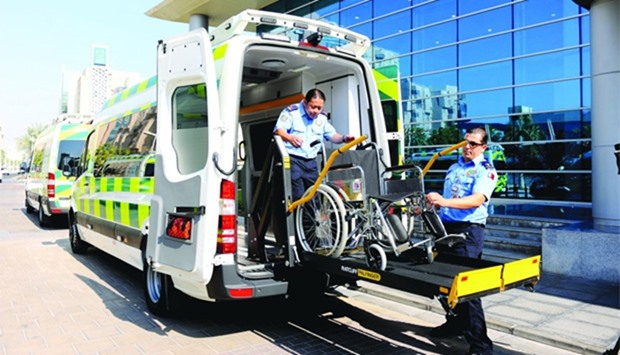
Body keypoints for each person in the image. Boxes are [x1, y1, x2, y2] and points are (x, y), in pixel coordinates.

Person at [425, 127, 497, 355]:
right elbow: (453, 197)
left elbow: (476, 200)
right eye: (466, 142)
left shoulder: (485, 170)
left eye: (473, 144)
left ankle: (481, 346)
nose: (467, 147)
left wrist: (444, 201)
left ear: (483, 147)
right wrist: (434, 203)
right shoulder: (454, 167)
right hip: (446, 230)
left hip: (468, 233)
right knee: (443, 283)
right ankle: (455, 323)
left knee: (468, 291)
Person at [274, 88, 355, 201]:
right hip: (293, 160)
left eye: (319, 108)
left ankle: (311, 218)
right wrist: (290, 137)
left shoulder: (321, 118)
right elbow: (279, 130)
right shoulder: (292, 112)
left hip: (311, 162)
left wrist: (344, 138)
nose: (316, 111)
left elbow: (332, 135)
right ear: (305, 102)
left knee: (314, 196)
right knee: (298, 195)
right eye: (313, 107)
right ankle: (298, 217)